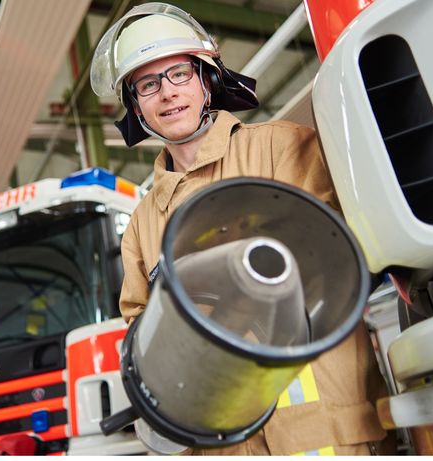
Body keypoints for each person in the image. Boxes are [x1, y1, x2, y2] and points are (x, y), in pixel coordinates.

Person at [90, 2, 392, 456]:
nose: (167, 93)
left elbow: (340, 262)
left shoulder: (282, 148)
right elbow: (142, 326)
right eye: (148, 85)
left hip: (324, 431)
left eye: (178, 74)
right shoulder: (141, 224)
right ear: (136, 107)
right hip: (223, 443)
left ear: (207, 79)